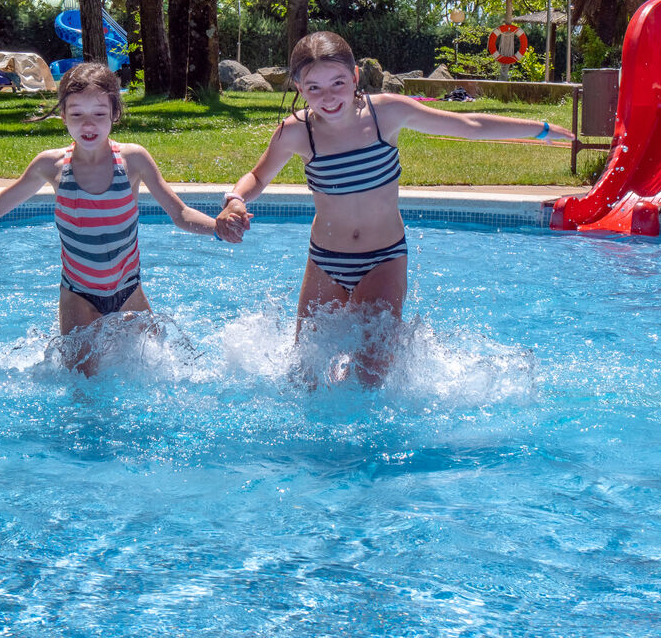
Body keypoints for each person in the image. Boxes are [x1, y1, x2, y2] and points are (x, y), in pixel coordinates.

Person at [215, 31, 573, 384]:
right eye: (315, 88)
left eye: (338, 83)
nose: (328, 97)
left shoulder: (385, 113)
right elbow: (257, 177)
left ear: (355, 77)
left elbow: (470, 125)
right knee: (304, 375)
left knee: (370, 377)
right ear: (299, 88)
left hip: (382, 259)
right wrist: (235, 200)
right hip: (326, 259)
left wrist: (540, 129)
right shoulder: (296, 131)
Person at [0, 62, 235, 374]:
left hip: (129, 292)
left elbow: (180, 214)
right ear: (63, 116)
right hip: (79, 297)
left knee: (163, 370)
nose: (88, 124)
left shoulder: (132, 160)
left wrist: (217, 228)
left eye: (98, 114)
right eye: (77, 114)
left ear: (115, 113)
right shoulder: (51, 166)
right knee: (85, 389)